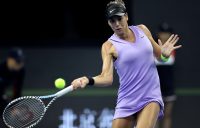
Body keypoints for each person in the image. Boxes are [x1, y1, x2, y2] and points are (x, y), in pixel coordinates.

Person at [71, 0, 182, 128]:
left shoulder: (143, 30)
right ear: (108, 23)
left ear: (126, 16)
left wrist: (164, 55)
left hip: (150, 95)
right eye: (112, 21)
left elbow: (160, 57)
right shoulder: (109, 46)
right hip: (127, 99)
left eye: (119, 18)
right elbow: (106, 78)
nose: (117, 24)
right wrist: (88, 80)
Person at [155, 22, 176, 128]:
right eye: (162, 32)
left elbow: (166, 59)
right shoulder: (153, 48)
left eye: (167, 33)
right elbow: (160, 58)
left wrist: (164, 55)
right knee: (155, 116)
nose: (164, 35)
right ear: (159, 34)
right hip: (155, 88)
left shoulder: (172, 49)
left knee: (167, 115)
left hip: (169, 87)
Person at [0, 47, 25, 115]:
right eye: (17, 61)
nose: (20, 64)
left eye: (21, 61)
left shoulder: (21, 71)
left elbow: (17, 89)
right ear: (9, 60)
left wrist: (14, 106)